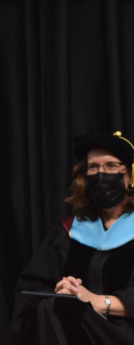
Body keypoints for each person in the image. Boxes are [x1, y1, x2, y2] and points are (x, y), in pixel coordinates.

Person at [11, 131, 134, 344]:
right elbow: (31, 289)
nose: (100, 174)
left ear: (130, 176)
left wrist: (98, 302)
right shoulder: (69, 231)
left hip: (124, 334)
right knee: (50, 307)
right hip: (73, 333)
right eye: (93, 167)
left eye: (111, 166)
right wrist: (64, 292)